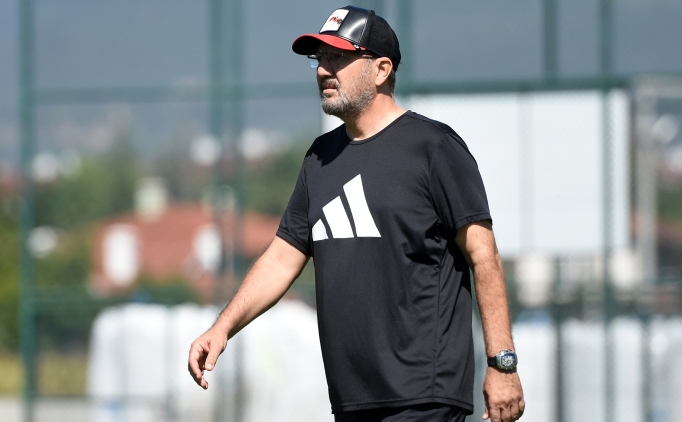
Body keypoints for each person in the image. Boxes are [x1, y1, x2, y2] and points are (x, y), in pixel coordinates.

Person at [188, 5, 525, 422]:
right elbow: (280, 259)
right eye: (320, 58)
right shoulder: (320, 159)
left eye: (338, 58)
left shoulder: (434, 148)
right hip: (352, 401)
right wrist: (222, 327)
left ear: (382, 69)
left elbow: (484, 255)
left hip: (423, 397)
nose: (322, 70)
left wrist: (502, 363)